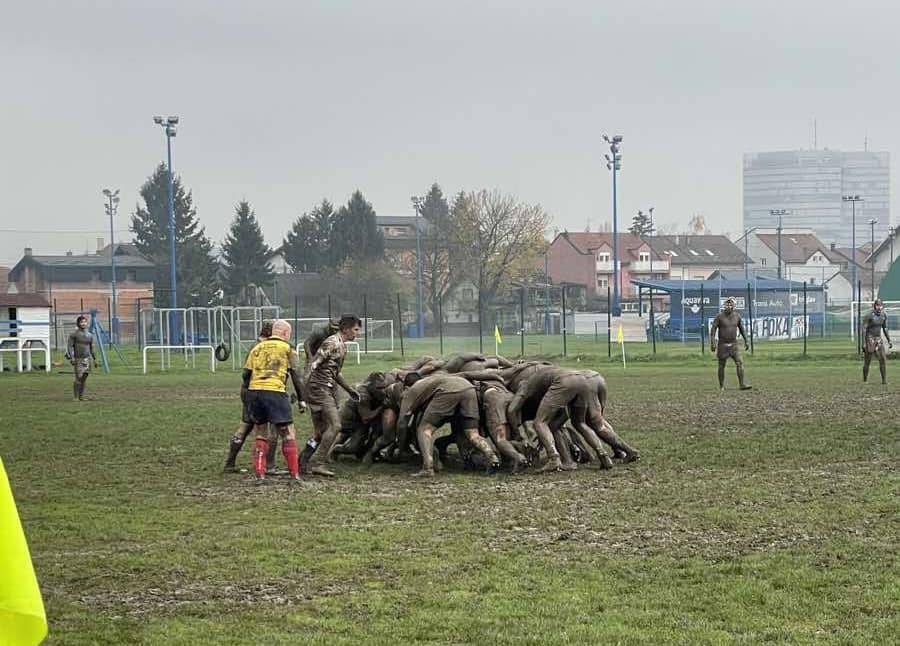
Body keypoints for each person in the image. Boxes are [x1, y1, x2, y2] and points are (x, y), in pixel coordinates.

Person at [397, 373, 500, 478]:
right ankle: (491, 457)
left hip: (448, 391)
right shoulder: (429, 381)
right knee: (472, 433)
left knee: (424, 429)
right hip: (468, 388)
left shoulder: (411, 391)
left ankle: (427, 468)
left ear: (406, 387)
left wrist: (400, 448)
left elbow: (402, 423)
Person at [243, 319, 305, 484]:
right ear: (285, 333)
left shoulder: (256, 348)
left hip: (255, 393)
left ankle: (260, 475)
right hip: (275, 392)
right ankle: (294, 475)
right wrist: (302, 400)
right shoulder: (288, 348)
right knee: (287, 433)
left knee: (261, 433)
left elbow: (246, 376)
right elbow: (296, 376)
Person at [300, 315, 363, 477]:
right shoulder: (332, 342)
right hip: (320, 389)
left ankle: (303, 461)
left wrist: (349, 389)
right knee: (336, 426)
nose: (357, 333)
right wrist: (302, 393)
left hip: (322, 388)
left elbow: (334, 372)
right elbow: (313, 364)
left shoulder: (342, 345)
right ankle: (318, 463)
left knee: (321, 432)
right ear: (346, 329)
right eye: (356, 329)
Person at [224, 320, 277, 473]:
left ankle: (230, 463)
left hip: (247, 391)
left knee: (245, 426)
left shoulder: (255, 345)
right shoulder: (263, 347)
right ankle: (268, 465)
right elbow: (248, 373)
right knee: (270, 428)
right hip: (259, 390)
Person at [710, 298, 752, 391]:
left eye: (731, 305)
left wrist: (746, 340)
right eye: (727, 305)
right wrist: (713, 342)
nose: (729, 306)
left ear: (734, 306)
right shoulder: (719, 317)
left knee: (739, 363)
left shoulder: (737, 316)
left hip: (734, 345)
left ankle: (742, 384)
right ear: (724, 306)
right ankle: (721, 386)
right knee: (721, 365)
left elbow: (742, 329)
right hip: (722, 345)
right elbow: (713, 330)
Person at [67, 315, 97, 401]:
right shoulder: (74, 335)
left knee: (84, 378)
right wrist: (71, 358)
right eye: (81, 322)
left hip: (87, 359)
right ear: (78, 323)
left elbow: (92, 348)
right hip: (78, 359)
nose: (83, 323)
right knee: (78, 377)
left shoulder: (90, 335)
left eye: (85, 322)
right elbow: (69, 346)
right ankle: (75, 397)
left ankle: (81, 396)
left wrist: (95, 359)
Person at [862, 299, 892, 385]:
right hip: (870, 338)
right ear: (874, 306)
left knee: (882, 359)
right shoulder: (869, 316)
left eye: (880, 305)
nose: (879, 307)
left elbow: (885, 328)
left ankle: (884, 380)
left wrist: (889, 340)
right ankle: (865, 380)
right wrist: (864, 343)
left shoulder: (884, 315)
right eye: (877, 305)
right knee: (868, 360)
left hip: (878, 339)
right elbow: (864, 329)